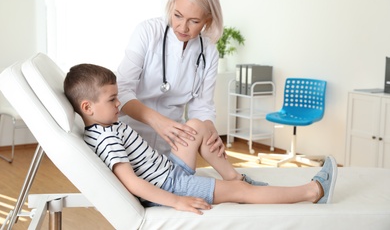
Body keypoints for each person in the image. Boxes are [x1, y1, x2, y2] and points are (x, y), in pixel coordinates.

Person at [64, 63, 338, 215]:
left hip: (169, 170)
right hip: (172, 185)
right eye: (112, 99)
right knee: (243, 195)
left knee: (195, 124)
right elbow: (132, 182)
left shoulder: (108, 126)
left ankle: (233, 177)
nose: (119, 103)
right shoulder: (105, 138)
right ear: (87, 107)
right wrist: (176, 201)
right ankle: (313, 192)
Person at [117, 0, 226, 158]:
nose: (183, 27)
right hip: (130, 135)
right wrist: (157, 121)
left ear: (208, 19)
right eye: (177, 15)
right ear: (171, 6)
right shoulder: (147, 32)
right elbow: (121, 90)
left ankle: (238, 180)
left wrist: (211, 129)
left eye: (194, 21)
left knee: (172, 182)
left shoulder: (209, 52)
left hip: (173, 142)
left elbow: (202, 106)